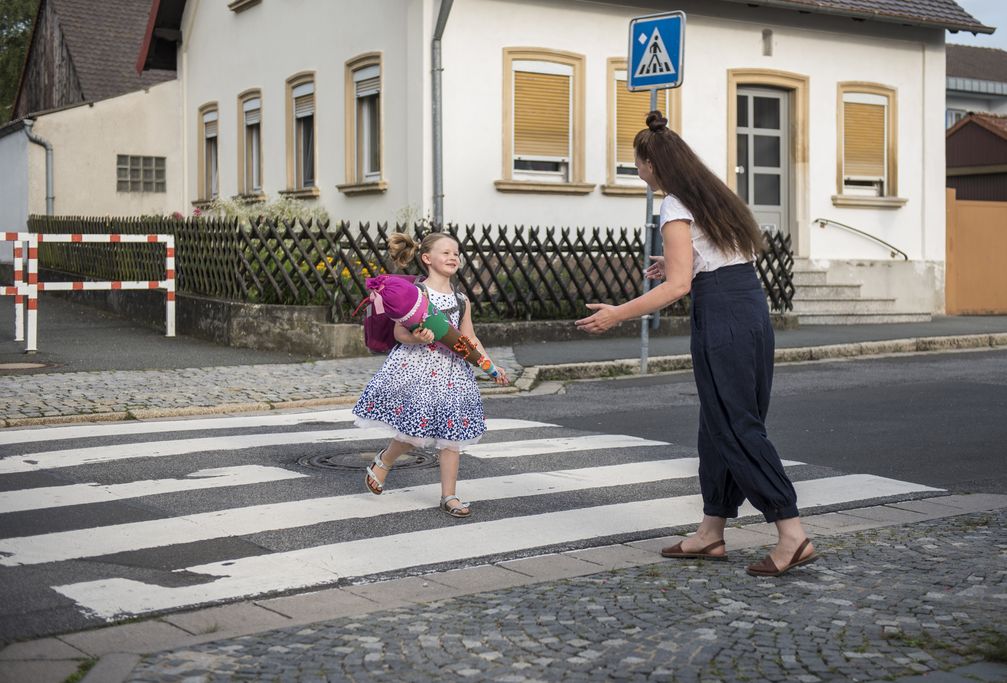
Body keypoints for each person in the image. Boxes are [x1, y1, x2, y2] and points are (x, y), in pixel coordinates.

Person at [576, 111, 818, 577]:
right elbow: (715, 261)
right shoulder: (711, 194)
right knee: (718, 424)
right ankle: (711, 531)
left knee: (736, 425)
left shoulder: (672, 206)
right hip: (748, 306)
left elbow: (679, 288)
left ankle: (791, 532)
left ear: (653, 163)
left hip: (722, 316)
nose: (639, 172)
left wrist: (615, 314)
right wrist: (672, 264)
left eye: (639, 164)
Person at [352, 232, 508, 518]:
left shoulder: (462, 300)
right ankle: (384, 461)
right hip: (419, 369)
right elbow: (400, 333)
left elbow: (468, 337)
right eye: (445, 252)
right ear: (427, 258)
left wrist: (490, 365)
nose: (453, 257)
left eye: (456, 253)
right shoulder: (417, 294)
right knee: (413, 432)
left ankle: (449, 495)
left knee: (452, 436)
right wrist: (419, 339)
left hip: (453, 374)